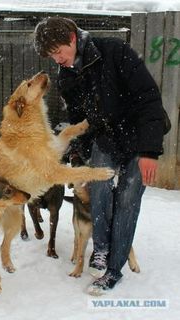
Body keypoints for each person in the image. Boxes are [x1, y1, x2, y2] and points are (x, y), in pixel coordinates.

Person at [33, 17, 170, 295]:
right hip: (105, 139)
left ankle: (114, 269)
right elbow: (77, 118)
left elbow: (148, 99)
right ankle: (102, 249)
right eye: (51, 55)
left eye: (59, 51)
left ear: (72, 38)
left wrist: (149, 151)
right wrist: (82, 150)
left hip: (136, 136)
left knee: (127, 203)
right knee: (99, 193)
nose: (57, 59)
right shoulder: (67, 75)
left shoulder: (114, 52)